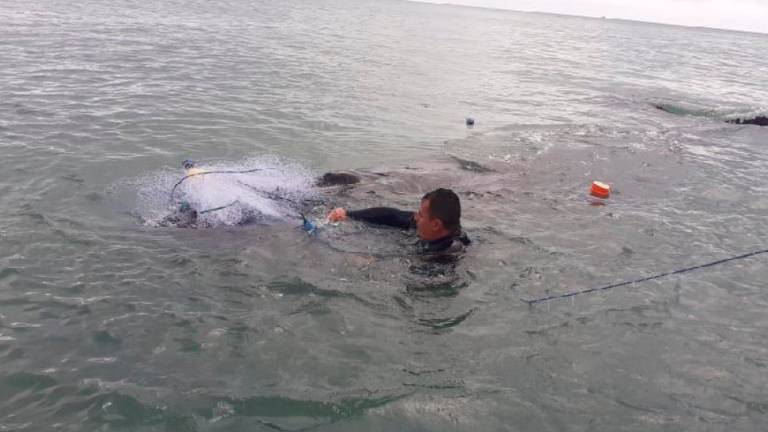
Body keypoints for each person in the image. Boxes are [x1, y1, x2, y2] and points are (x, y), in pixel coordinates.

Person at [326, 188, 470, 255]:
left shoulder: (449, 252)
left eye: (420, 215)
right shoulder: (431, 227)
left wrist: (374, 262)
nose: (415, 217)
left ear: (436, 224)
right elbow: (390, 215)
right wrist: (348, 214)